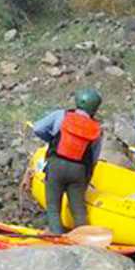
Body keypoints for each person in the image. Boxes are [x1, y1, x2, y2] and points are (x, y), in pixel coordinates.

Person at [32, 88, 103, 234]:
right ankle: (84, 240)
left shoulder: (61, 115)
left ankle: (58, 238)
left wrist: (51, 140)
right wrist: (86, 179)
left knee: (53, 207)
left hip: (56, 165)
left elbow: (37, 128)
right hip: (79, 170)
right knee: (78, 210)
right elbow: (94, 159)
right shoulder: (96, 129)